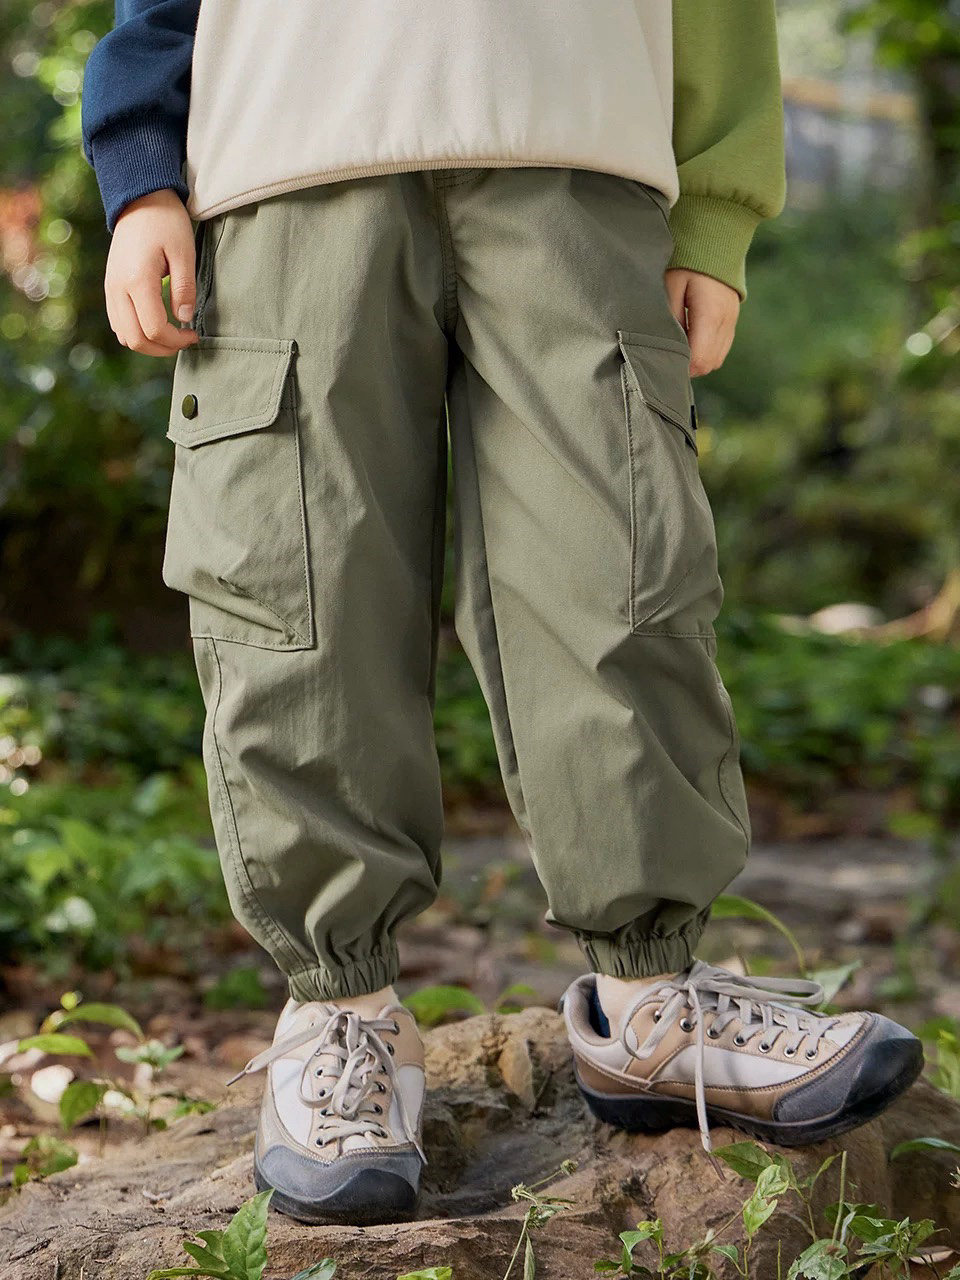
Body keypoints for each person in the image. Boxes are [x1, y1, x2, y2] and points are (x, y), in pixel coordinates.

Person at [81, 0, 923, 1227]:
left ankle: (651, 999)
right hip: (281, 139)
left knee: (618, 568)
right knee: (300, 593)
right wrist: (141, 160)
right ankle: (340, 1013)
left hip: (580, 131)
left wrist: (717, 197)